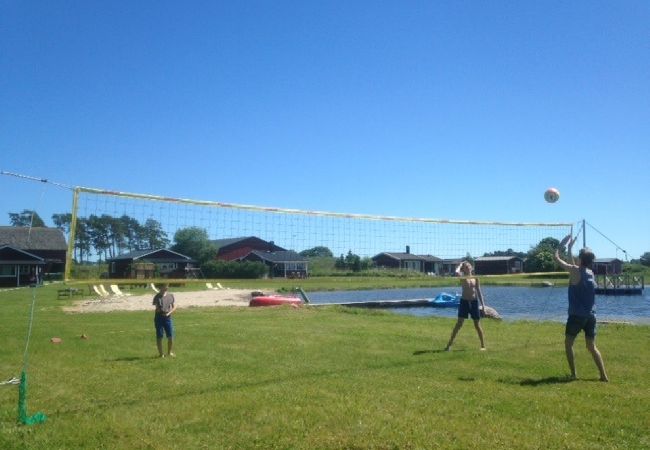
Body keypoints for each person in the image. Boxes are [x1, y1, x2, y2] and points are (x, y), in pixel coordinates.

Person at [554, 235, 608, 381]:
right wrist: (570, 248)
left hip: (577, 316)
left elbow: (556, 258)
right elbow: (575, 267)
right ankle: (603, 376)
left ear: (580, 258)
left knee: (568, 343)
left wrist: (561, 245)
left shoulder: (575, 271)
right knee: (591, 347)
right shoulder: (591, 273)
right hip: (591, 316)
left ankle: (573, 374)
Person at [445, 261, 486, 351]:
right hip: (464, 302)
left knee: (477, 325)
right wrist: (460, 265)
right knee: (459, 324)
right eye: (465, 267)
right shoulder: (463, 277)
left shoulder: (476, 278)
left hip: (474, 302)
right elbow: (456, 272)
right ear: (464, 269)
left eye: (468, 266)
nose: (468, 267)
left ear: (471, 267)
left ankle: (483, 346)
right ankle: (449, 345)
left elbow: (479, 291)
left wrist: (483, 305)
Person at [153, 283, 176, 358]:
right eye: (165, 286)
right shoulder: (157, 297)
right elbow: (157, 309)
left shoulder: (170, 295)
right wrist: (161, 311)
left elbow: (174, 307)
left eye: (168, 285)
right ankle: (161, 354)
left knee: (170, 336)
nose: (167, 287)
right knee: (159, 336)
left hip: (168, 318)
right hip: (159, 318)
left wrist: (168, 313)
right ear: (161, 287)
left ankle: (169, 353)